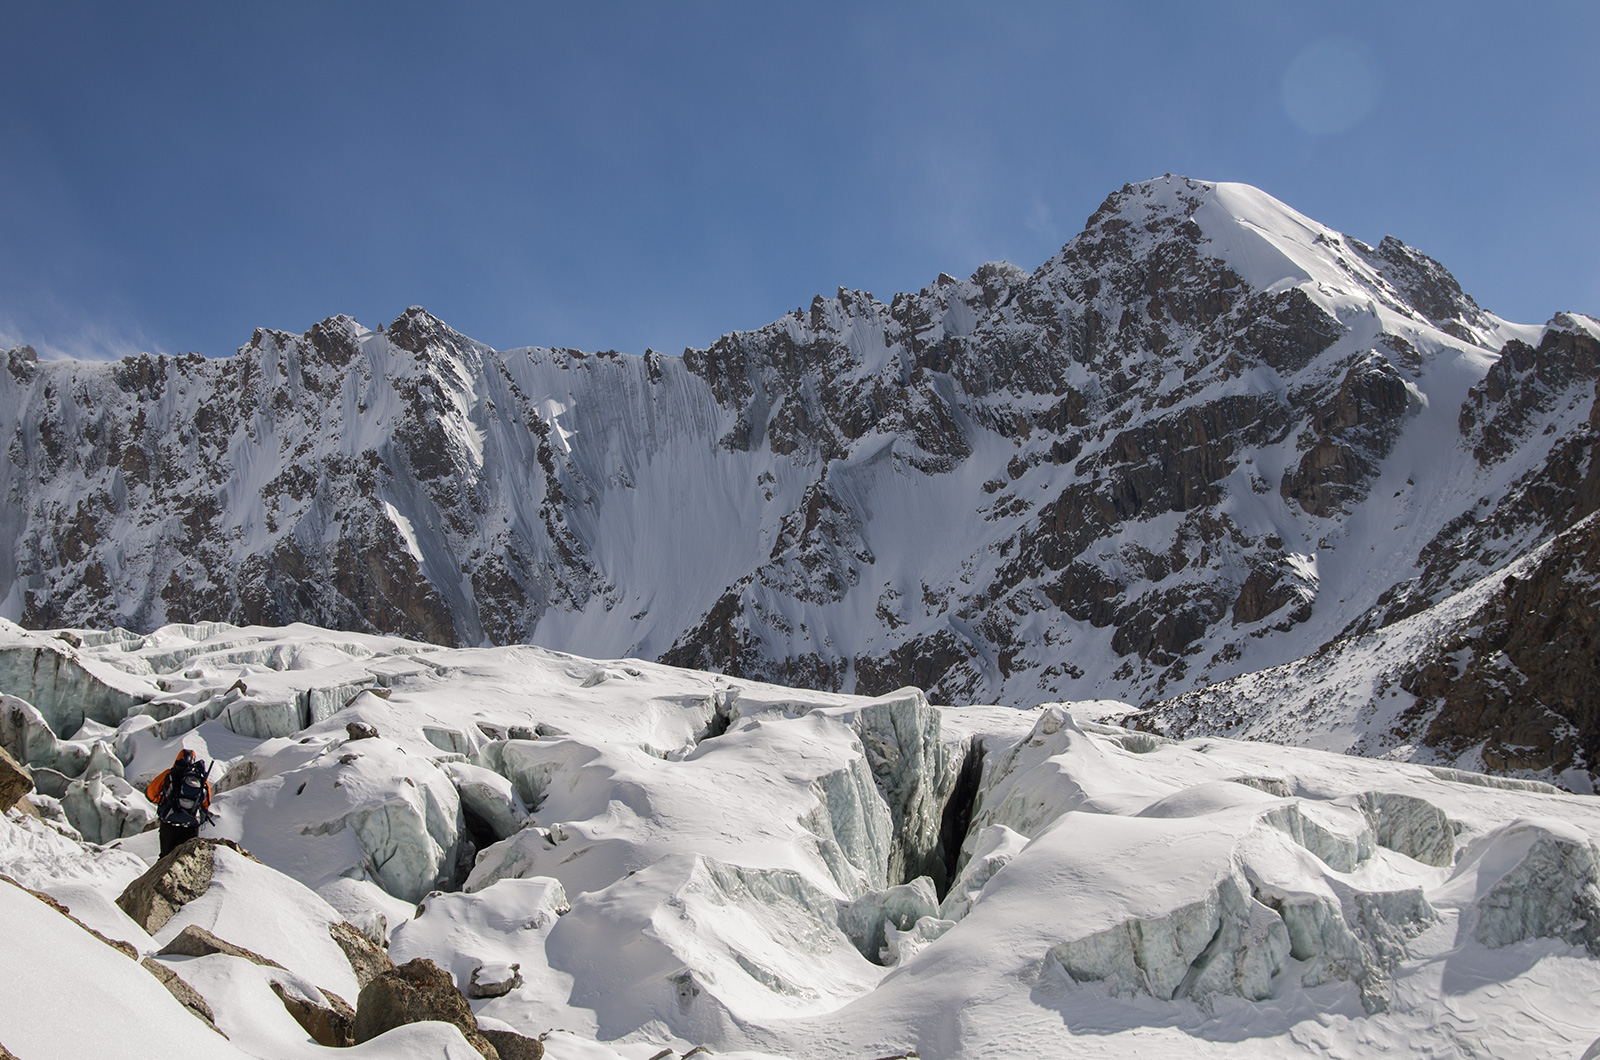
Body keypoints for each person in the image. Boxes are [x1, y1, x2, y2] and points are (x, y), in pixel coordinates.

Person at [145, 748, 214, 856]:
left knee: (166, 857)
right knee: (188, 855)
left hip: (170, 821)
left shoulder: (170, 774)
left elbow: (150, 794)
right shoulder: (200, 778)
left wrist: (164, 800)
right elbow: (206, 803)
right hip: (191, 823)